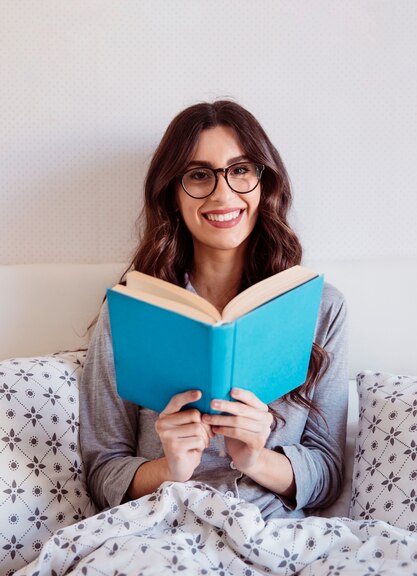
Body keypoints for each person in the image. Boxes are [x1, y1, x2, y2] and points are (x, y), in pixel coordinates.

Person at [79, 100, 348, 520]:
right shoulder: (130, 312)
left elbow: (329, 474)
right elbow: (101, 471)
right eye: (199, 175)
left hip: (274, 537)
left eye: (241, 170)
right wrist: (170, 469)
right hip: (160, 533)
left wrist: (256, 458)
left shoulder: (321, 308)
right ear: (172, 193)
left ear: (264, 183)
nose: (224, 193)